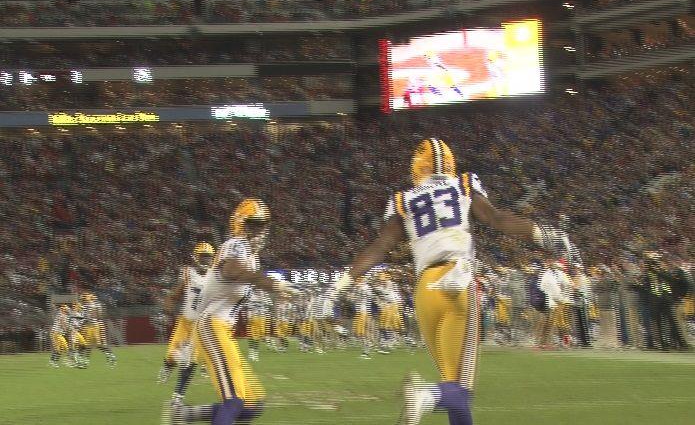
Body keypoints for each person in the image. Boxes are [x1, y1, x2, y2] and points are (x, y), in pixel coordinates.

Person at [343, 138, 570, 425]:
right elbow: (496, 219)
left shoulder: (403, 198)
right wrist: (542, 233)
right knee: (460, 390)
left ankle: (431, 395)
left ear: (417, 168)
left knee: (453, 386)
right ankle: (425, 395)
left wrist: (344, 280)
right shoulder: (463, 183)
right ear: (450, 163)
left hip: (425, 288)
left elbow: (380, 246)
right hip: (457, 282)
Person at [163, 198, 296, 425]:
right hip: (212, 325)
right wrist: (273, 285)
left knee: (252, 406)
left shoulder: (251, 257)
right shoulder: (236, 244)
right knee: (233, 401)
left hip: (221, 328)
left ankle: (183, 415)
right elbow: (231, 270)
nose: (260, 230)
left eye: (263, 225)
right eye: (254, 224)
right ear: (240, 224)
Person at [158, 242, 216, 404]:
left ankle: (178, 396)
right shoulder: (187, 274)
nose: (206, 260)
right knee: (172, 356)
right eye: (203, 257)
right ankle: (168, 366)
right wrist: (167, 309)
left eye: (208, 257)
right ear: (195, 257)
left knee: (190, 360)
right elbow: (174, 295)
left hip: (201, 325)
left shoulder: (216, 276)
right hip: (185, 322)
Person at [79, 292, 117, 367]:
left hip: (92, 326)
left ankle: (85, 362)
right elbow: (97, 315)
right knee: (94, 345)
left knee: (91, 345)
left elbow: (86, 317)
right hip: (93, 326)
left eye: (85, 297)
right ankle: (111, 356)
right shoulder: (92, 305)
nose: (84, 298)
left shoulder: (89, 305)